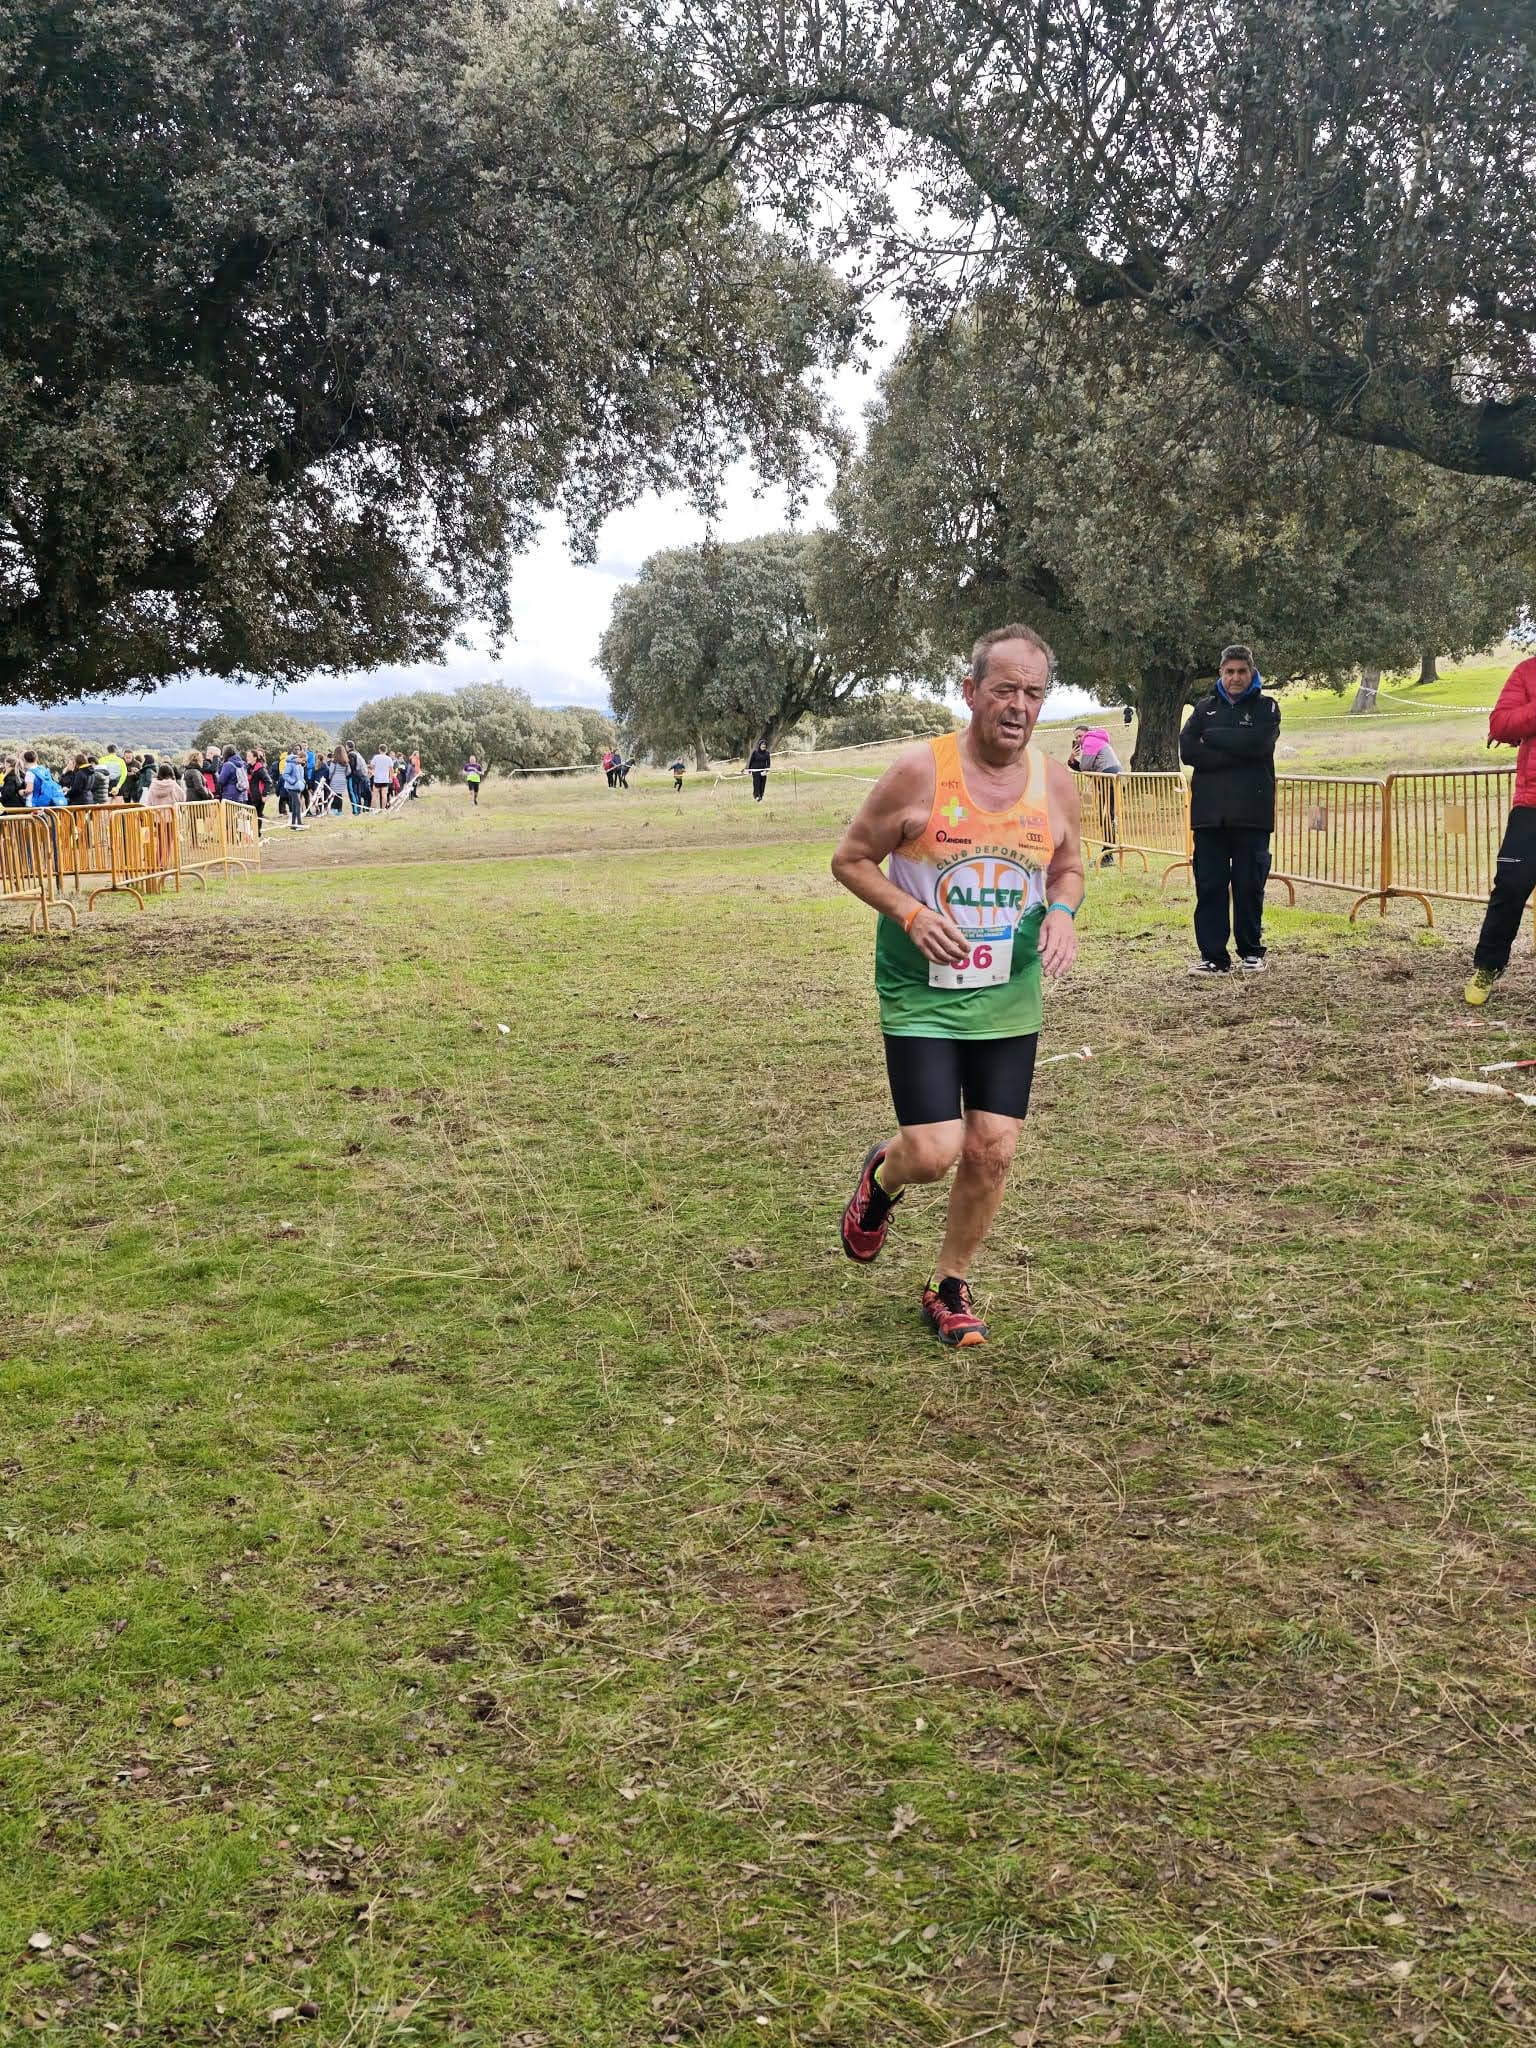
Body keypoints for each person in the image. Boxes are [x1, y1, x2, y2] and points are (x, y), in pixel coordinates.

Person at [831, 622, 1084, 1348]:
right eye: (1004, 689)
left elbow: (1067, 864)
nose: (1019, 706)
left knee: (994, 1146)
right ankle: (884, 1177)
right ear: (970, 693)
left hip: (1010, 990)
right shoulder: (918, 773)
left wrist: (1062, 911)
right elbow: (850, 861)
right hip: (923, 994)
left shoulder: (1054, 781)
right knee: (936, 1151)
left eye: (1034, 693)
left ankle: (949, 1284)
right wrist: (909, 913)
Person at [1179, 644, 1281, 977]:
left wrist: (1214, 740)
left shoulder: (1267, 707)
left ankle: (1251, 952)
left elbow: (1259, 745)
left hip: (1251, 814)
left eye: (1241, 671)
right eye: (1229, 671)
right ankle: (1213, 957)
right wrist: (1235, 746)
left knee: (1249, 884)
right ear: (1221, 674)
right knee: (1209, 886)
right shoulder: (1204, 708)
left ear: (1251, 672)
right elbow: (1187, 749)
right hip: (1209, 817)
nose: (1235, 678)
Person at [1465, 650, 1536, 1004]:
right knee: (1510, 885)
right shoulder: (1527, 673)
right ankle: (1487, 966)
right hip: (1530, 807)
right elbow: (1500, 724)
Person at [1068, 723, 1123, 867]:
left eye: (1080, 736)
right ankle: (1107, 851)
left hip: (1108, 778)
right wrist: (1072, 760)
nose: (1079, 739)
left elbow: (1085, 767)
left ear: (1087, 733)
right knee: (1106, 816)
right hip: (1111, 777)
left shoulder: (1090, 741)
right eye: (1076, 737)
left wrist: (1075, 760)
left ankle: (1108, 855)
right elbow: (1086, 769)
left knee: (1106, 816)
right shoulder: (1098, 740)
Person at [280, 747, 307, 828]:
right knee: (298, 804)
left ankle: (293, 824)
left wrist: (303, 783)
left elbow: (301, 777)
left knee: (295, 805)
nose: (304, 762)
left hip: (298, 787)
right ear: (299, 757)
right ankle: (298, 823)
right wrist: (293, 781)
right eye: (303, 760)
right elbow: (285, 775)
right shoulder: (290, 764)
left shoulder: (299, 765)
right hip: (291, 787)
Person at [247, 752, 271, 834]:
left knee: (257, 815)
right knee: (248, 816)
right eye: (247, 756)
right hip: (249, 796)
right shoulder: (248, 768)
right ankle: (249, 834)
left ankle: (257, 833)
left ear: (255, 758)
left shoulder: (261, 769)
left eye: (249, 756)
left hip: (258, 797)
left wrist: (265, 794)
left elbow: (268, 781)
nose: (247, 758)